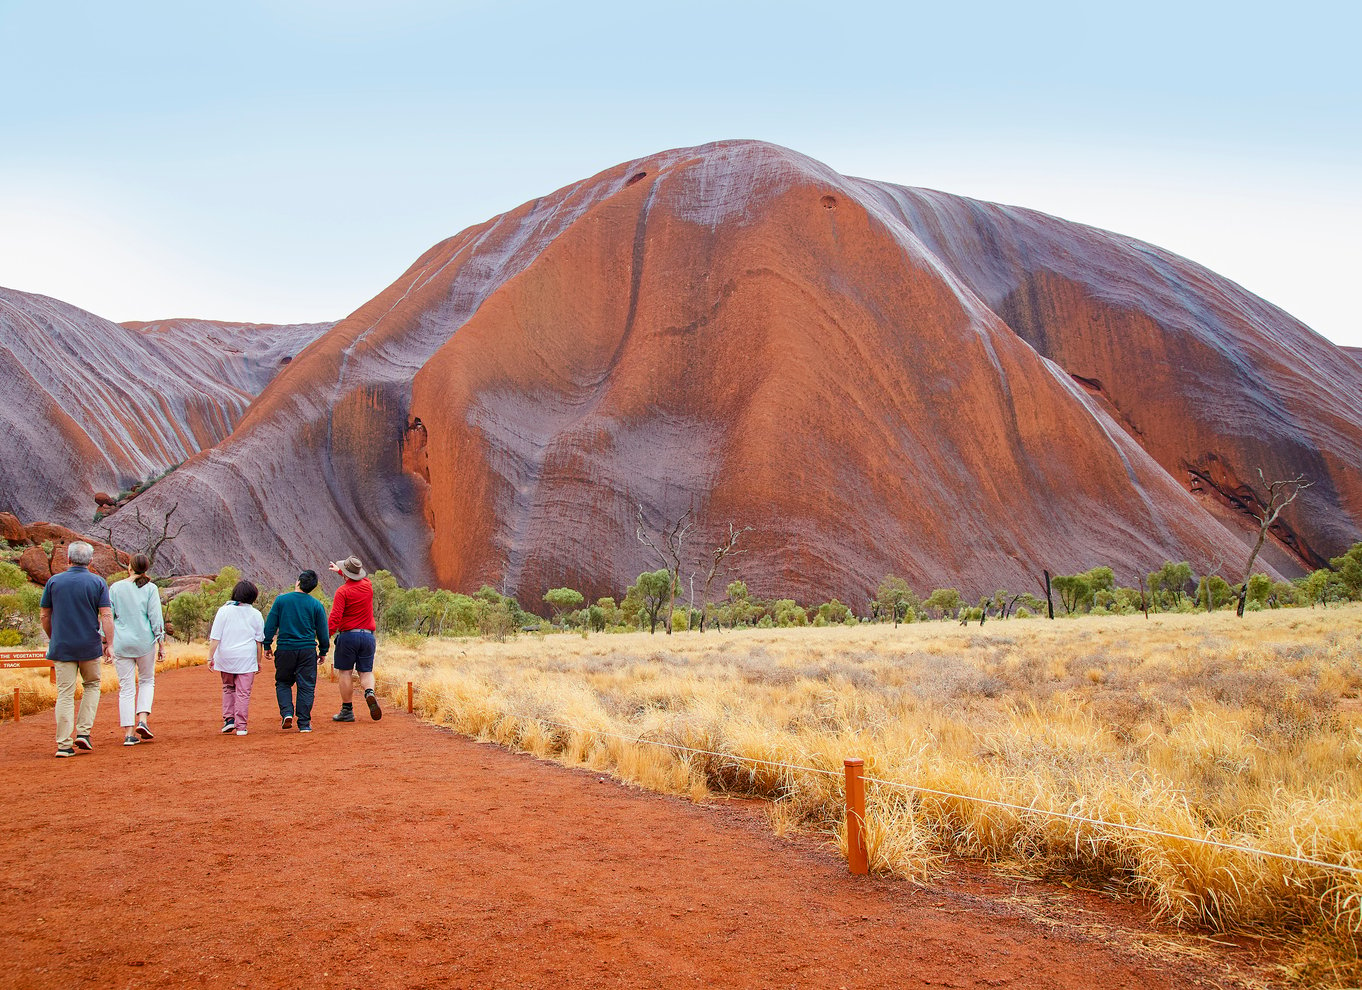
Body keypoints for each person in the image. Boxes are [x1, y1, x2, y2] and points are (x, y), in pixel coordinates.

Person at [40, 541, 114, 758]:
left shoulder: (53, 582)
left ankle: (63, 744)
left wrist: (54, 637)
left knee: (65, 693)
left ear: (68, 560)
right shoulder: (98, 582)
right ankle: (83, 732)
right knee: (92, 685)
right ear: (90, 561)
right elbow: (106, 616)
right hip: (89, 646)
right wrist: (109, 644)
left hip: (62, 646)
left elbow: (45, 615)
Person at [262, 569, 330, 733]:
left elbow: (270, 625)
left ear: (298, 582)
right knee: (306, 686)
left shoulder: (281, 601)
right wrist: (323, 651)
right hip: (307, 650)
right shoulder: (316, 605)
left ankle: (287, 713)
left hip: (285, 649)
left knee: (283, 682)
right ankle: (304, 723)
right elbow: (323, 631)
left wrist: (267, 645)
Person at [109, 553, 164, 747]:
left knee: (126, 688)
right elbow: (155, 617)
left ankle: (129, 734)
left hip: (121, 642)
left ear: (130, 567)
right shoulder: (150, 588)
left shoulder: (115, 588)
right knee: (147, 681)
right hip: (144, 642)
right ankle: (143, 720)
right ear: (146, 569)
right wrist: (161, 643)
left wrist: (106, 643)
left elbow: (108, 616)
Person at [207, 580, 265, 736]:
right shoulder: (256, 614)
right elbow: (258, 642)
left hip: (226, 657)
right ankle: (241, 726)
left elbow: (215, 638)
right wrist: (258, 662)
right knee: (243, 692)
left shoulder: (224, 611)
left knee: (228, 688)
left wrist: (209, 657)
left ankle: (229, 720)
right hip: (246, 658)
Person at [328, 555, 381, 722]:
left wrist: (325, 636)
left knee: (345, 672)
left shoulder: (342, 592)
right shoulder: (368, 586)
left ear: (346, 574)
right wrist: (342, 573)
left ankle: (347, 711)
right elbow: (357, 580)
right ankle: (369, 692)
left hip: (348, 637)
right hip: (367, 637)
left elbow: (335, 619)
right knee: (366, 671)